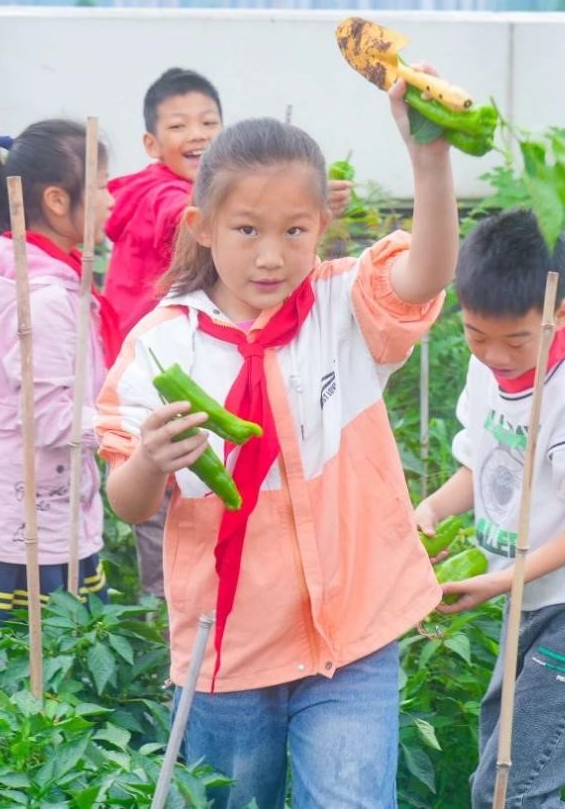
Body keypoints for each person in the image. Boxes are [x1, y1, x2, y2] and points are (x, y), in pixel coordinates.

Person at [95, 69, 458, 808]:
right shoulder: (163, 346)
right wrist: (149, 462)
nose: (271, 256)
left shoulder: (340, 306)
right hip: (229, 646)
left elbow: (424, 276)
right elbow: (128, 503)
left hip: (351, 631)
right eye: (246, 230)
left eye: (294, 231)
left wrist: (430, 159)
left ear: (320, 225)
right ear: (202, 227)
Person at [415, 209, 565, 809]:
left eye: (516, 340)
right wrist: (432, 509)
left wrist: (504, 580)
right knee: (497, 777)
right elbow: (481, 465)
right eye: (476, 335)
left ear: (559, 315)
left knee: (512, 792)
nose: (495, 354)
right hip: (530, 599)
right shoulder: (488, 372)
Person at [104, 67, 352, 601]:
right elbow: (182, 214)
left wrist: (282, 204)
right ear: (151, 144)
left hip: (214, 348)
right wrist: (282, 205)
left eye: (207, 123)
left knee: (214, 478)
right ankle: (169, 600)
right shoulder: (154, 194)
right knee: (172, 496)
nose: (195, 134)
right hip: (165, 361)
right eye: (179, 126)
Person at [0, 119, 118, 621]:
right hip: (18, 525)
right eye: (101, 187)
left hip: (38, 504)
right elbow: (51, 420)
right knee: (25, 650)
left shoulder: (43, 272)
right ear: (57, 200)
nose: (111, 201)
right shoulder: (43, 298)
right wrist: (132, 429)